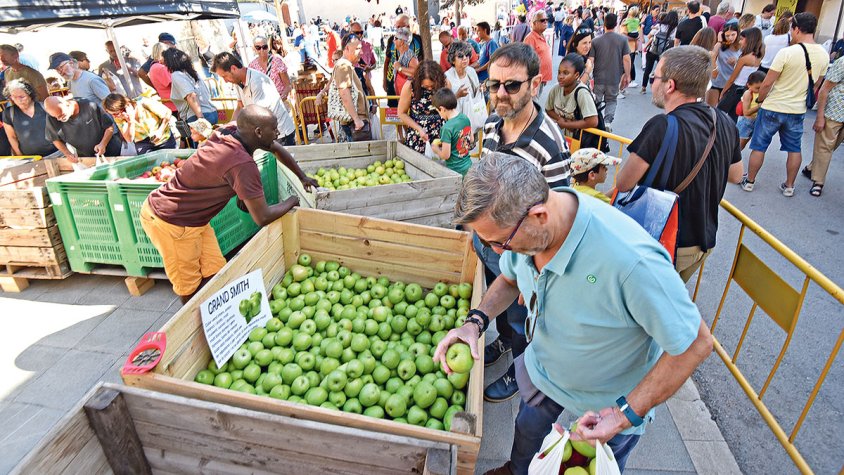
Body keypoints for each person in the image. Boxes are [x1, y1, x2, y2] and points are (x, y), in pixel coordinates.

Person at [438, 152, 714, 475]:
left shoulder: (630, 260)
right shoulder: (527, 235)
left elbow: (696, 343)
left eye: (500, 243)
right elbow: (510, 278)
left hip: (607, 404)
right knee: (526, 434)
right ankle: (517, 469)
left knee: (590, 465)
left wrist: (624, 414)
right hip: (545, 373)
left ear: (539, 216)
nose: (496, 251)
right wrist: (476, 322)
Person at [141, 105, 316, 302]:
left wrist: (302, 177)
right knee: (188, 286)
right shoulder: (242, 165)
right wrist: (292, 200)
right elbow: (262, 217)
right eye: (274, 128)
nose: (278, 132)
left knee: (215, 272)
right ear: (258, 132)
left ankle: (218, 319)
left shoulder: (233, 129)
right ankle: (190, 328)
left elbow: (274, 147)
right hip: (171, 221)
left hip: (195, 219)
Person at [479, 43, 570, 405]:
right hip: (491, 247)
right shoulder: (490, 125)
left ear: (535, 84)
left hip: (524, 258)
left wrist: (535, 271)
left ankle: (520, 373)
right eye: (494, 85)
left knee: (522, 322)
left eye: (512, 85)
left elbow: (559, 217)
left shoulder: (549, 144)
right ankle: (501, 342)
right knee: (501, 312)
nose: (501, 93)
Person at [616, 46, 744, 282]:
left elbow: (623, 183)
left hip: (665, 240)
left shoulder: (661, 126)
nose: (653, 82)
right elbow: (736, 174)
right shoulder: (725, 123)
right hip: (703, 242)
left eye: (656, 77)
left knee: (639, 307)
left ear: (670, 85)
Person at [743, 13, 829, 197]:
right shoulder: (824, 54)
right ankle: (789, 186)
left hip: (773, 106)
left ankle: (749, 181)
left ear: (797, 29)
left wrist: (760, 99)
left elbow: (767, 83)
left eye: (792, 29)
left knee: (759, 146)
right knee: (794, 148)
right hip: (797, 110)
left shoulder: (787, 52)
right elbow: (815, 84)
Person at [212, 52, 297, 146]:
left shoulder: (257, 81)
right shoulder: (237, 81)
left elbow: (255, 115)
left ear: (233, 68)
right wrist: (228, 128)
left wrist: (233, 131)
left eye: (225, 76)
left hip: (280, 133)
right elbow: (240, 107)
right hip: (266, 133)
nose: (225, 81)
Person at [805, 56, 844, 197]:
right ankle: (818, 182)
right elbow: (824, 89)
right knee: (825, 147)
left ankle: (812, 167)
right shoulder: (843, 62)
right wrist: (820, 117)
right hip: (835, 112)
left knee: (831, 146)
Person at [44, 96, 122, 161]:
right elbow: (54, 138)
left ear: (67, 104)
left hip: (112, 152)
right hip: (86, 158)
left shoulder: (89, 105)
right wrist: (67, 153)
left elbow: (109, 127)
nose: (59, 119)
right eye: (56, 117)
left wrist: (103, 144)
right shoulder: (52, 116)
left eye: (62, 115)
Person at [545, 54, 600, 141]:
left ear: (576, 75)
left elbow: (593, 121)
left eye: (566, 73)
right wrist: (560, 119)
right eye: (559, 72)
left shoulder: (582, 93)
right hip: (564, 139)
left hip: (581, 141)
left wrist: (566, 125)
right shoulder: (556, 89)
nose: (560, 76)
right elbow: (548, 109)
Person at [590, 13, 631, 127]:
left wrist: (588, 77)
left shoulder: (595, 41)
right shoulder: (622, 40)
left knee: (596, 100)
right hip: (614, 78)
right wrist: (627, 76)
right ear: (616, 24)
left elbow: (591, 60)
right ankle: (607, 123)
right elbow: (626, 59)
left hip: (598, 77)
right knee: (612, 100)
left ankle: (595, 120)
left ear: (604, 24)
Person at [398, 60, 447, 154]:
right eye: (425, 86)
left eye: (432, 86)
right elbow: (401, 113)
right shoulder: (409, 86)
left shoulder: (445, 83)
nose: (429, 89)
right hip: (417, 135)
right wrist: (418, 128)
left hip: (440, 133)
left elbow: (448, 108)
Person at [102, 93, 175, 153]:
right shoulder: (118, 118)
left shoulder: (143, 102)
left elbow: (167, 112)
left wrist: (160, 131)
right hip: (142, 143)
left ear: (125, 106)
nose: (114, 116)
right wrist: (130, 121)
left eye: (116, 113)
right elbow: (129, 139)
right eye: (111, 114)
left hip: (163, 137)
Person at [716, 27, 763, 121]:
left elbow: (732, 78)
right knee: (733, 117)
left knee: (718, 114)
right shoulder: (757, 57)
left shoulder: (744, 58)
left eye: (741, 39)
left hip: (734, 89)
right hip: (745, 89)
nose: (740, 42)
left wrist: (723, 92)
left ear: (749, 40)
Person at [2, 79, 58, 157]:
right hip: (31, 158)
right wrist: (21, 156)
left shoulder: (44, 107)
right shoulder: (9, 114)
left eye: (22, 97)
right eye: (14, 97)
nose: (19, 100)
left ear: (30, 95)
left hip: (56, 153)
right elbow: (12, 137)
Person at [163, 48, 218, 126]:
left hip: (198, 116)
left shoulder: (177, 75)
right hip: (211, 112)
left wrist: (201, 119)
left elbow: (191, 96)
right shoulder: (191, 72)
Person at [334, 34, 372, 142]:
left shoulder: (346, 65)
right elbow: (344, 94)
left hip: (355, 122)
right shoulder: (343, 66)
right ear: (347, 48)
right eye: (357, 49)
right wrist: (356, 119)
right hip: (353, 124)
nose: (361, 52)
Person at [430, 88, 473, 176]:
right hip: (468, 166)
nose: (439, 115)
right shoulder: (465, 118)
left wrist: (436, 149)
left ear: (442, 109)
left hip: (455, 170)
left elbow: (446, 155)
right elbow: (471, 139)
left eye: (438, 111)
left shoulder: (446, 128)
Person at [384, 15, 423, 107]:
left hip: (409, 87)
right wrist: (385, 80)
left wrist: (400, 68)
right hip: (394, 83)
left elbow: (417, 68)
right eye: (397, 27)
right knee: (394, 110)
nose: (394, 40)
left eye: (396, 39)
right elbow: (387, 61)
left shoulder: (415, 43)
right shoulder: (392, 41)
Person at [444, 41, 482, 130]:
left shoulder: (471, 71)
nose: (465, 58)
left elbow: (476, 91)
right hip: (456, 121)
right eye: (460, 56)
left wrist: (480, 89)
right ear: (453, 60)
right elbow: (444, 103)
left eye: (467, 55)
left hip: (473, 116)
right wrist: (457, 95)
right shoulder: (447, 77)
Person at [248, 36, 293, 104]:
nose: (262, 50)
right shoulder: (252, 66)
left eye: (264, 47)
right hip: (264, 104)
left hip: (281, 102)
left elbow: (288, 85)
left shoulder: (277, 61)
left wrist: (282, 99)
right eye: (258, 48)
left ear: (268, 47)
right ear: (254, 49)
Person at [642, 11, 679, 94]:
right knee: (662, 72)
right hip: (664, 53)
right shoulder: (675, 29)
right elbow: (674, 42)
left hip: (653, 50)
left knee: (647, 69)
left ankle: (643, 88)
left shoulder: (659, 25)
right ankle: (658, 89)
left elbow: (649, 36)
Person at [706, 22, 741, 107]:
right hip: (717, 81)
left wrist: (737, 61)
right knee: (710, 108)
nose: (730, 38)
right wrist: (719, 41)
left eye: (733, 34)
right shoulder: (721, 46)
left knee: (723, 111)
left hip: (732, 83)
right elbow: (712, 56)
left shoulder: (741, 47)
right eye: (727, 35)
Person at [524, 11, 553, 93]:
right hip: (535, 80)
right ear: (534, 23)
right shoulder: (530, 38)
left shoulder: (541, 35)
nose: (545, 22)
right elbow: (526, 61)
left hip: (541, 78)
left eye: (546, 20)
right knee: (533, 102)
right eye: (542, 20)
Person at [736, 71, 766, 151]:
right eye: (757, 88)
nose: (759, 90)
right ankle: (731, 161)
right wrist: (759, 107)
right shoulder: (748, 94)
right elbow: (746, 112)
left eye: (762, 87)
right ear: (748, 85)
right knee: (738, 146)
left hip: (755, 121)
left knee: (743, 145)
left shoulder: (761, 93)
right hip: (746, 122)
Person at [147, 42, 177, 114]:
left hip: (169, 103)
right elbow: (174, 83)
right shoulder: (160, 68)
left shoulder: (154, 67)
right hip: (174, 104)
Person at [392, 28, 420, 98]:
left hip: (408, 98)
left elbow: (416, 72)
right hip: (403, 96)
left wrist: (400, 68)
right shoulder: (403, 54)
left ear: (401, 42)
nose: (393, 40)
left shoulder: (409, 54)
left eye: (395, 38)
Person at [472, 22, 500, 87]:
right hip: (480, 79)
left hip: (487, 80)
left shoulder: (491, 43)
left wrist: (479, 69)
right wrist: (469, 67)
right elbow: (479, 62)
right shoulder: (484, 44)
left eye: (478, 31)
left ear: (485, 30)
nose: (477, 33)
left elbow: (492, 61)